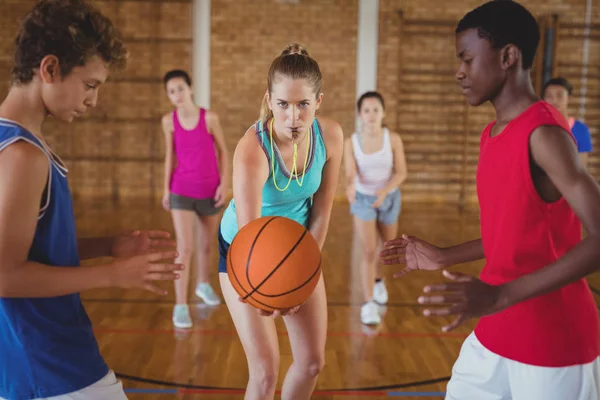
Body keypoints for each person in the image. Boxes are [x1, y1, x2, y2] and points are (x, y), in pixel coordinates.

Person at [380, 2, 600, 399]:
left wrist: (499, 294)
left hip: (553, 341)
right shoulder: (492, 135)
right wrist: (446, 256)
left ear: (508, 56)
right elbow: (514, 231)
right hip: (496, 327)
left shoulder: (545, 134)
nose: (458, 71)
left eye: (467, 58)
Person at [0, 1, 183, 399]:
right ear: (49, 69)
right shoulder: (23, 155)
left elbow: (26, 248)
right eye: (90, 85)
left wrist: (108, 247)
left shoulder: (12, 143)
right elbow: (5, 275)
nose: (93, 101)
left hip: (31, 364)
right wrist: (114, 274)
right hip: (52, 366)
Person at [217, 43, 343, 400]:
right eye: (284, 104)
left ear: (319, 101)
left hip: (298, 245)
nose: (293, 117)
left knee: (312, 363)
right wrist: (272, 287)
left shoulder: (331, 136)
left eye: (303, 104)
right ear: (269, 100)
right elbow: (248, 234)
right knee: (265, 371)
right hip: (244, 251)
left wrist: (300, 274)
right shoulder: (253, 149)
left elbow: (321, 214)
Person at [161, 69, 229, 329]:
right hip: (181, 190)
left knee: (206, 245)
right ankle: (180, 305)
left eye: (180, 88)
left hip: (210, 190)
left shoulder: (209, 118)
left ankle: (203, 284)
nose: (176, 95)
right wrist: (166, 189)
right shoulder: (168, 121)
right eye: (171, 91)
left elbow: (224, 150)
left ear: (190, 88)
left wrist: (225, 183)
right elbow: (170, 155)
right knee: (185, 248)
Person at [344, 91, 407, 325]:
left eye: (375, 110)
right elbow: (350, 173)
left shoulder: (393, 139)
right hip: (363, 200)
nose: (371, 115)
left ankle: (379, 281)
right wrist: (350, 186)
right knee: (369, 251)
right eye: (366, 110)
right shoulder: (351, 142)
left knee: (387, 250)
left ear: (383, 113)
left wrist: (384, 191)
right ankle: (368, 303)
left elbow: (401, 172)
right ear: (360, 115)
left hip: (389, 198)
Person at [542, 76, 593, 167]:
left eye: (559, 95)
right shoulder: (537, 127)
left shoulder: (581, 130)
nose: (554, 100)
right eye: (549, 96)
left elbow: (582, 168)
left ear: (569, 98)